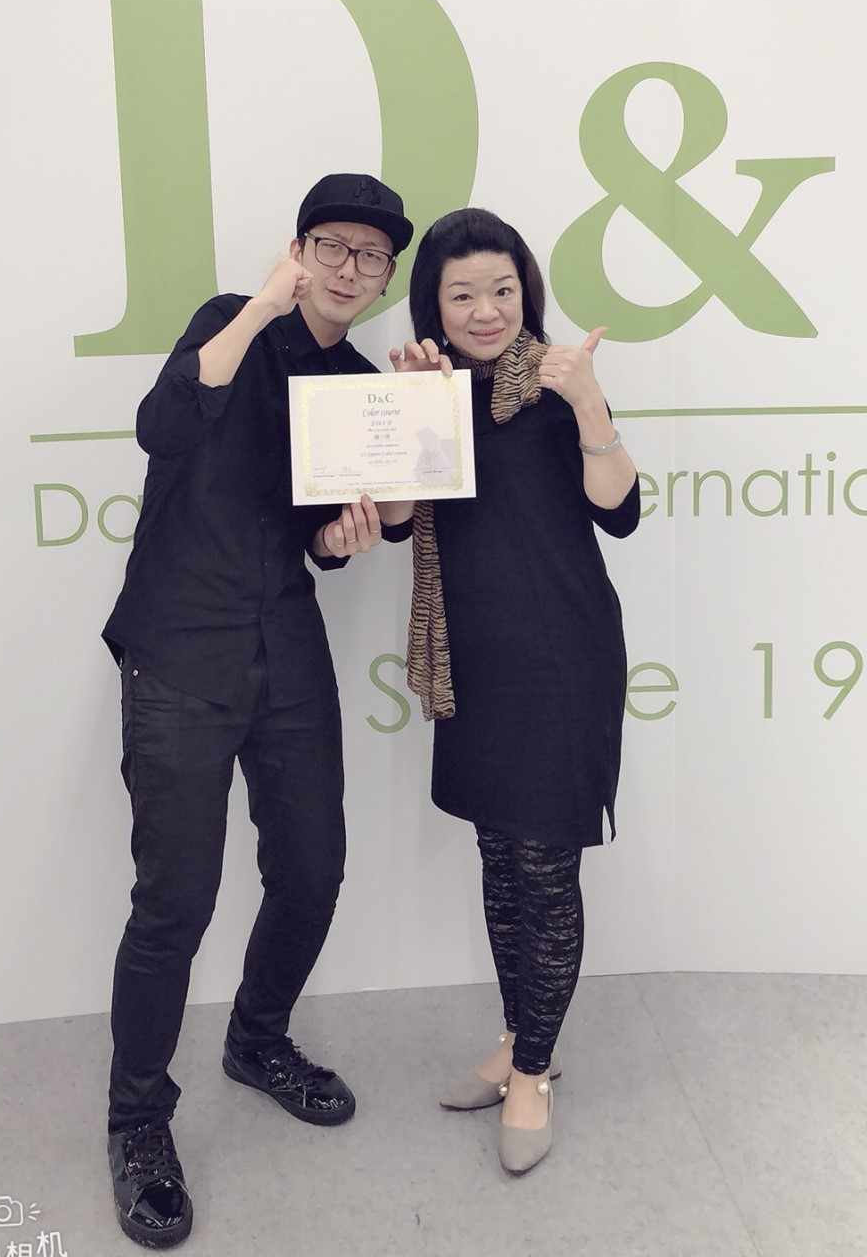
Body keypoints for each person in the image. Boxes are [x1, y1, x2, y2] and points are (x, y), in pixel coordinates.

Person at [101, 174, 415, 1248]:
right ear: (299, 250)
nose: (350, 268)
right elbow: (161, 426)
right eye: (333, 246)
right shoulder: (228, 323)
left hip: (284, 639)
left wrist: (347, 534)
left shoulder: (359, 385)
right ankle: (137, 1120)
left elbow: (335, 537)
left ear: (385, 277)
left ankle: (257, 1037)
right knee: (175, 901)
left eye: (371, 256)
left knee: (315, 867)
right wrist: (259, 309)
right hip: (179, 643)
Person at [382, 207, 640, 1177]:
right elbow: (397, 521)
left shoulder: (557, 385)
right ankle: (521, 1035)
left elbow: (621, 512)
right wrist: (408, 411)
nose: (487, 310)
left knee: (544, 870)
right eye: (463, 295)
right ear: (434, 306)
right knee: (500, 861)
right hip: (477, 665)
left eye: (502, 290)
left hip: (563, 658)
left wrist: (591, 403)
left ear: (525, 292)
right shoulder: (431, 392)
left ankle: (534, 1070)